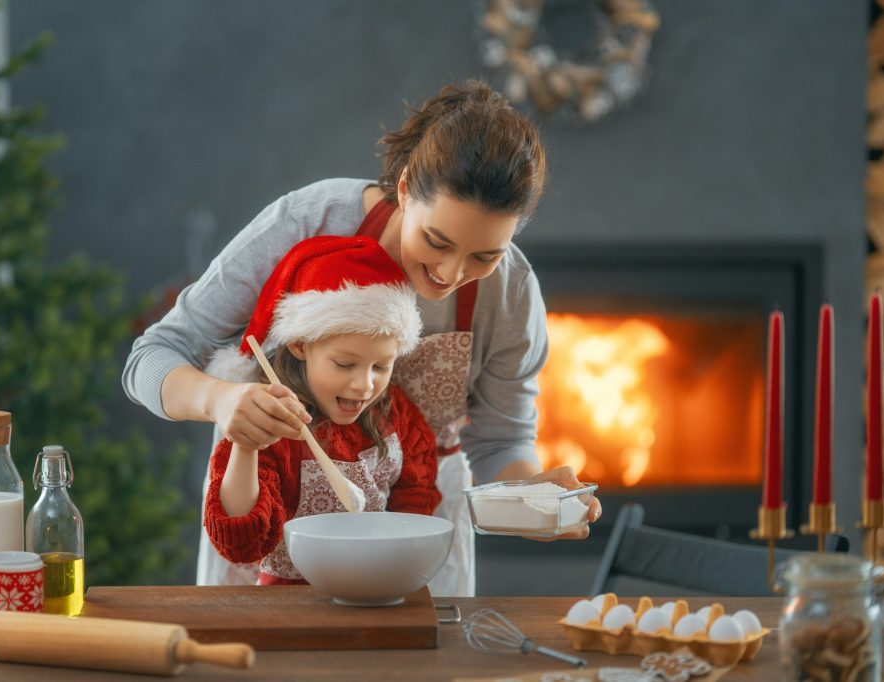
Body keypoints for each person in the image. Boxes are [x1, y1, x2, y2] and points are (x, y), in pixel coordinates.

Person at [123, 80, 603, 597]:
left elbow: (500, 440)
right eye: (436, 241)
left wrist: (531, 497)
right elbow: (150, 359)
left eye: (484, 256)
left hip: (419, 536)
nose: (449, 272)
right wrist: (221, 400)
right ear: (403, 190)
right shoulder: (311, 220)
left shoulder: (510, 293)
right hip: (264, 527)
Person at [202, 235, 441, 583]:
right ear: (300, 345)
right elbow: (243, 545)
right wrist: (247, 444)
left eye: (380, 367)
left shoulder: (397, 417)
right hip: (287, 608)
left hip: (377, 592)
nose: (364, 385)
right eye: (345, 364)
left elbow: (414, 505)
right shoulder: (272, 422)